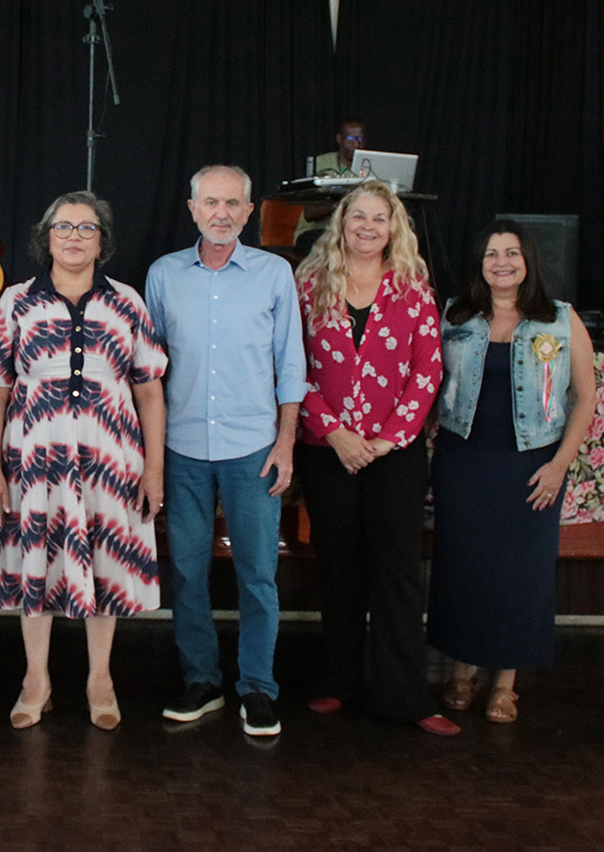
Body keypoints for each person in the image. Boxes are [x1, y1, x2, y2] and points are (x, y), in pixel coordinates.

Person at [0, 191, 167, 732]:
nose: (75, 237)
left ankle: (99, 679)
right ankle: (37, 679)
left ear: (102, 241)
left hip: (112, 456)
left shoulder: (126, 301)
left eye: (87, 228)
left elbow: (149, 390)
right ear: (46, 237)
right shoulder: (16, 301)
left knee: (103, 562)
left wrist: (153, 470)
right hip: (33, 456)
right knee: (36, 562)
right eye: (64, 227)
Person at [293, 180, 458, 736]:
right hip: (327, 450)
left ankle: (405, 694)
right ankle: (337, 681)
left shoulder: (412, 286)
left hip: (396, 454)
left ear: (395, 228)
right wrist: (336, 432)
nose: (367, 226)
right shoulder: (309, 284)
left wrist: (389, 438)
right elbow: (291, 367)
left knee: (396, 573)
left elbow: (428, 371)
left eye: (379, 218)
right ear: (341, 222)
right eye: (357, 216)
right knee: (339, 568)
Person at [145, 165, 306, 737]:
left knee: (258, 575)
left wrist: (286, 442)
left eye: (232, 204)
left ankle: (258, 689)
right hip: (182, 446)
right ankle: (201, 681)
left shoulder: (273, 274)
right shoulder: (163, 275)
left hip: (253, 449)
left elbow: (291, 364)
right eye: (210, 202)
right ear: (192, 209)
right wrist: (151, 455)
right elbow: (148, 370)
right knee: (186, 573)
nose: (221, 213)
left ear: (248, 210)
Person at [427, 220, 596, 724]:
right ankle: (461, 673)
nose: (502, 262)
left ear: (529, 262)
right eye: (491, 253)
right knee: (463, 569)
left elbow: (584, 397)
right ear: (479, 263)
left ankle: (505, 684)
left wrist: (558, 467)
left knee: (521, 575)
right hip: (463, 462)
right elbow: (428, 384)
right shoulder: (455, 315)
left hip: (531, 465)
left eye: (512, 253)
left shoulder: (562, 320)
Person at [295, 116, 368, 250]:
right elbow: (310, 214)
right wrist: (342, 204)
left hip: (355, 230)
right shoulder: (321, 164)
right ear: (339, 139)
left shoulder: (369, 166)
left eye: (361, 139)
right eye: (351, 139)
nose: (357, 144)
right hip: (320, 230)